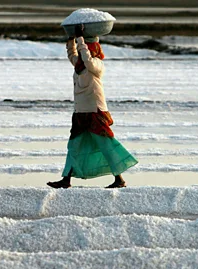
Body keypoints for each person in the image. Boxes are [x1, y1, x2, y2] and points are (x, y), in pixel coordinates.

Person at [47, 24, 138, 189]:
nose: (84, 50)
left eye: (87, 48)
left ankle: (119, 179)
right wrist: (71, 39)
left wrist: (81, 39)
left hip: (95, 111)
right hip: (80, 112)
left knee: (106, 145)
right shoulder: (79, 65)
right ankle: (66, 179)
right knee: (74, 146)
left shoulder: (97, 64)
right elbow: (72, 55)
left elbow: (88, 60)